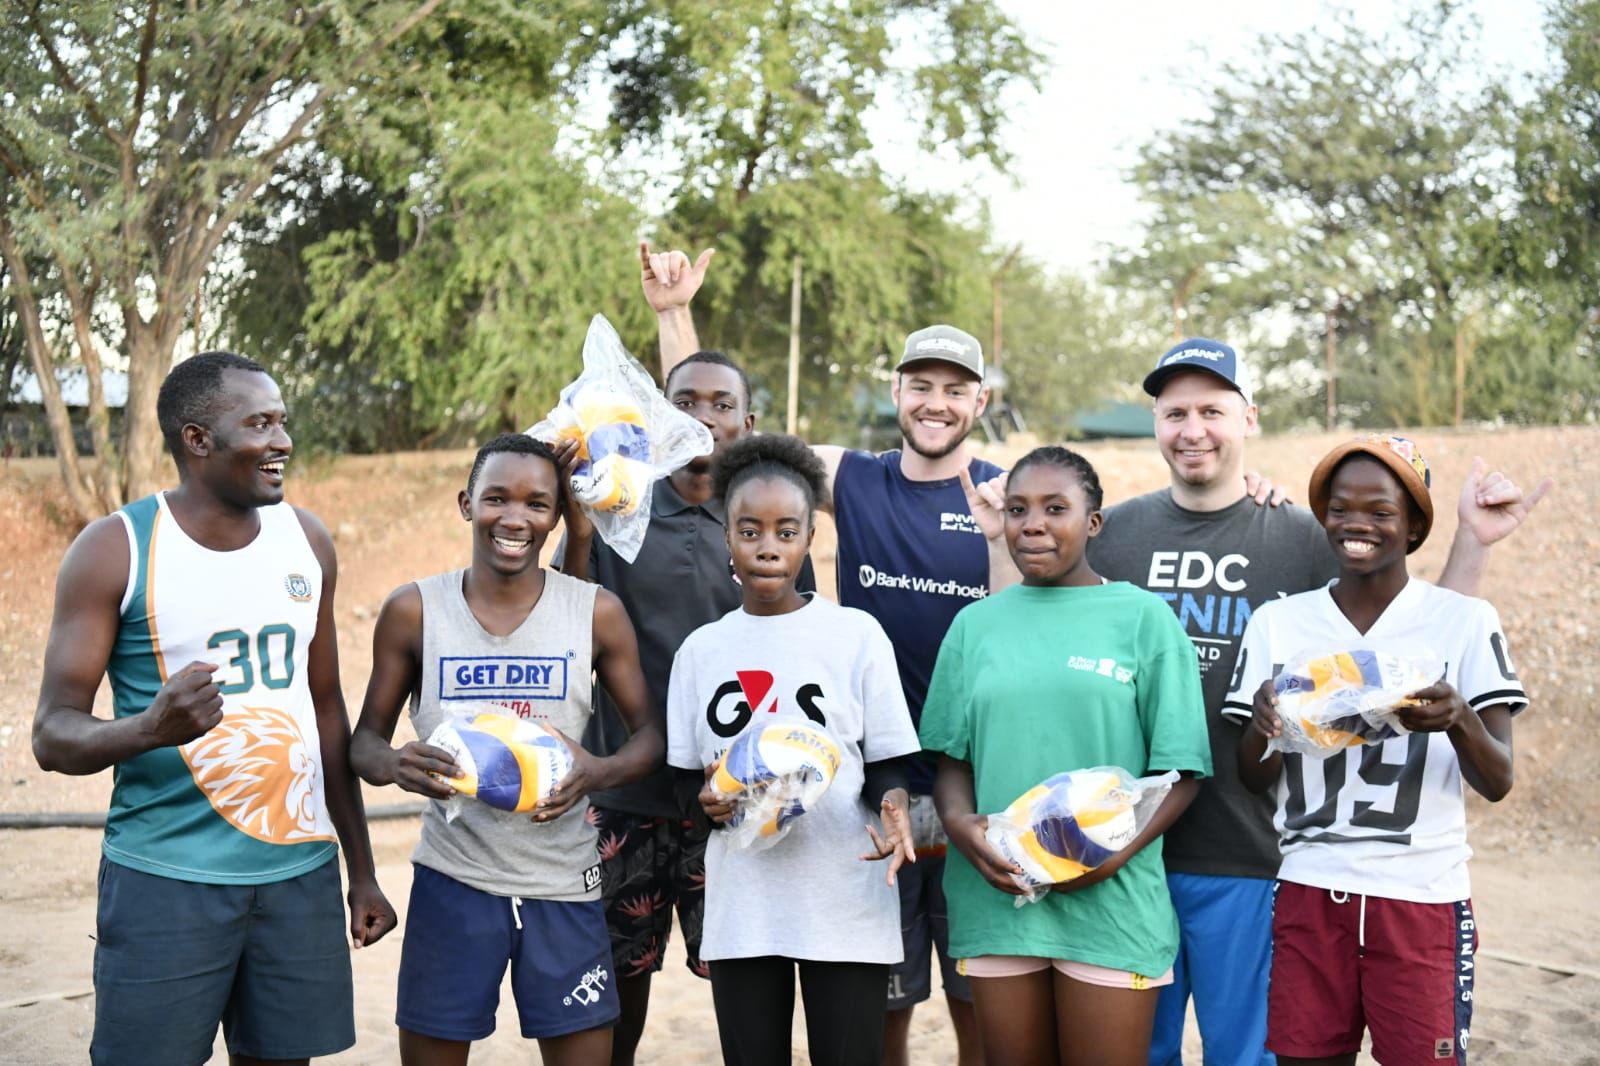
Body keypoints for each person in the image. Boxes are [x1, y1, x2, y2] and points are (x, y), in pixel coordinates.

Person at [1058, 338, 1548, 1066]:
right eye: (1175, 412)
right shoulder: (1114, 532)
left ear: (1247, 418)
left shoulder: (1297, 533)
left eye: (1212, 410)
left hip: (1254, 855)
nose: (1193, 428)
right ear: (1155, 421)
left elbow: (1412, 621)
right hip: (1131, 850)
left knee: (1250, 1053)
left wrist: (1473, 545)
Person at [641, 243, 1003, 1065]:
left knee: (979, 999)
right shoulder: (853, 477)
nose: (936, 403)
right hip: (857, 786)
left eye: (954, 390)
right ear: (898, 392)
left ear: (979, 401)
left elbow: (1073, 546)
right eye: (921, 385)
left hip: (966, 776)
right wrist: (673, 315)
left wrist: (1252, 494)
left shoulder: (1001, 492)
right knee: (886, 1012)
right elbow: (727, 442)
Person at [31, 351, 396, 1066]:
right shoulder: (117, 550)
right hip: (167, 880)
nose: (283, 441)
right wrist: (148, 729)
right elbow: (51, 735)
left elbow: (325, 711)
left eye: (282, 420)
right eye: (260, 422)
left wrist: (362, 869)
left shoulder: (307, 540)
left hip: (297, 875)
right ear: (197, 440)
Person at [349, 433, 665, 1066]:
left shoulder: (595, 612)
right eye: (496, 498)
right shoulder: (414, 610)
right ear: (467, 504)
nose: (514, 518)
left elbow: (653, 737)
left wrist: (596, 771)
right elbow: (363, 742)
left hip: (564, 884)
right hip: (454, 879)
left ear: (556, 515)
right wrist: (395, 764)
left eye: (536, 504)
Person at [557, 336, 815, 1066]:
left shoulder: (768, 523)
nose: (702, 417)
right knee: (614, 997)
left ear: (749, 420)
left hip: (734, 802)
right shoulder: (619, 512)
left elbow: (801, 652)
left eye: (721, 403)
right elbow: (571, 613)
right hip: (626, 794)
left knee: (746, 990)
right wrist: (580, 527)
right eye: (683, 403)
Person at [1228, 434, 1523, 1066]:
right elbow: (1252, 778)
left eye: (1380, 511)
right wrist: (1262, 726)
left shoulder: (1464, 621)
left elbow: (1498, 779)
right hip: (1310, 887)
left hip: (1421, 894)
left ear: (1414, 524)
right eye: (1339, 508)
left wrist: (1459, 718)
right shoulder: (1279, 624)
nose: (1355, 524)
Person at [921, 446, 1213, 1066]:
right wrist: (957, 824)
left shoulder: (1144, 619)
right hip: (1001, 893)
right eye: (1019, 509)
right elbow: (952, 759)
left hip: (1110, 902)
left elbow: (1182, 773)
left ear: (1094, 522)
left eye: (1057, 508)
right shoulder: (975, 626)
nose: (1033, 524)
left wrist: (1112, 855)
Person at [665, 433, 922, 1066]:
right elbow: (683, 782)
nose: (767, 547)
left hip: (845, 891)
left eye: (786, 531)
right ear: (727, 535)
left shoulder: (855, 634)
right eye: (749, 530)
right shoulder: (701, 651)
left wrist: (893, 803)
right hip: (746, 903)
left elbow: (888, 761)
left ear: (811, 537)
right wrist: (706, 803)